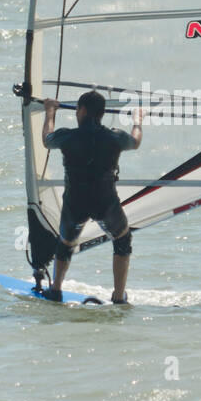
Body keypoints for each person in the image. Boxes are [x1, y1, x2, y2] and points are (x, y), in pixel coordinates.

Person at [41, 90, 142, 303]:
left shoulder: (68, 136)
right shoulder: (114, 137)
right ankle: (118, 296)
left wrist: (50, 112)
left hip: (75, 202)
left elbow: (47, 141)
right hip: (105, 201)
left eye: (77, 109)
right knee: (122, 239)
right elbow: (135, 141)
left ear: (83, 110)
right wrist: (137, 120)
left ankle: (56, 289)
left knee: (66, 243)